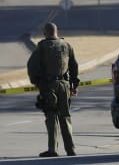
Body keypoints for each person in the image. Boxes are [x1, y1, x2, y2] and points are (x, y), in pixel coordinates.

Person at [27, 22, 79, 157]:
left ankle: (52, 149)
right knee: (65, 117)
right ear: (57, 32)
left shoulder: (42, 46)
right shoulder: (67, 46)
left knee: (51, 117)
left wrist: (37, 83)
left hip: (49, 86)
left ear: (45, 33)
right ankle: (70, 149)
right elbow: (74, 66)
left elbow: (32, 66)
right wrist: (74, 85)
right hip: (65, 85)